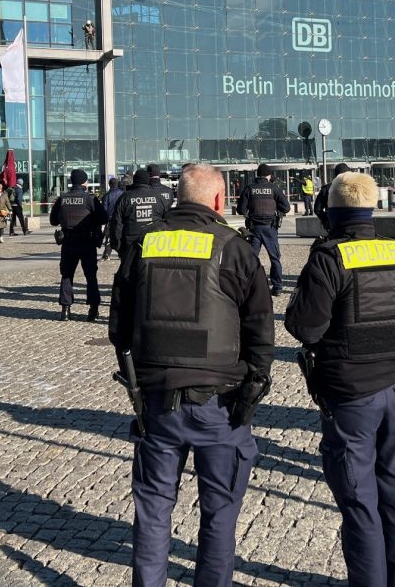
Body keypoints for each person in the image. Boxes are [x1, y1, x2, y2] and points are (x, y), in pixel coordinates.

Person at [109, 163, 274, 586]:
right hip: (220, 403)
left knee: (153, 509)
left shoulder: (145, 242)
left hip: (158, 402)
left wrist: (139, 374)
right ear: (219, 200)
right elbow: (260, 329)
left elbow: (119, 326)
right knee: (219, 511)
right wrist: (252, 391)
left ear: (179, 197)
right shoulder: (235, 247)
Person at [286, 172, 395, 585]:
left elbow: (305, 328)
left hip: (351, 394)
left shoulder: (329, 258)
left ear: (329, 211)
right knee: (394, 496)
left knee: (359, 502)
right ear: (372, 207)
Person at [49, 169, 107, 321]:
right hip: (87, 242)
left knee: (67, 275)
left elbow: (53, 221)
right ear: (84, 182)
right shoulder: (89, 199)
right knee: (91, 276)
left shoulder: (63, 198)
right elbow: (103, 218)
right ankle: (93, 310)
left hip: (68, 242)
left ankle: (65, 310)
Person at [237, 163, 291, 296]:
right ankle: (277, 287)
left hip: (254, 229)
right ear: (268, 175)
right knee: (274, 258)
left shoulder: (249, 188)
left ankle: (248, 286)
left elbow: (241, 210)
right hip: (270, 229)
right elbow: (286, 207)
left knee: (251, 258)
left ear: (257, 175)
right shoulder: (274, 189)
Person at [110, 169, 172, 258]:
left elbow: (116, 223)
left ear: (134, 180)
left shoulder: (125, 197)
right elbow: (168, 220)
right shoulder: (159, 197)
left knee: (129, 271)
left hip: (130, 244)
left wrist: (117, 245)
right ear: (148, 181)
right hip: (154, 244)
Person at [315, 162, 351, 229]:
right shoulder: (354, 187)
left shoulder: (326, 188)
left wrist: (327, 221)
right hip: (351, 223)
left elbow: (317, 209)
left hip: (333, 224)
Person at [101, 177, 125, 260]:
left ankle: (107, 254)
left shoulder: (106, 196)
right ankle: (123, 254)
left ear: (109, 185)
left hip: (111, 219)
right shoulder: (123, 194)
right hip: (122, 219)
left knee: (109, 237)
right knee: (122, 236)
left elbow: (104, 210)